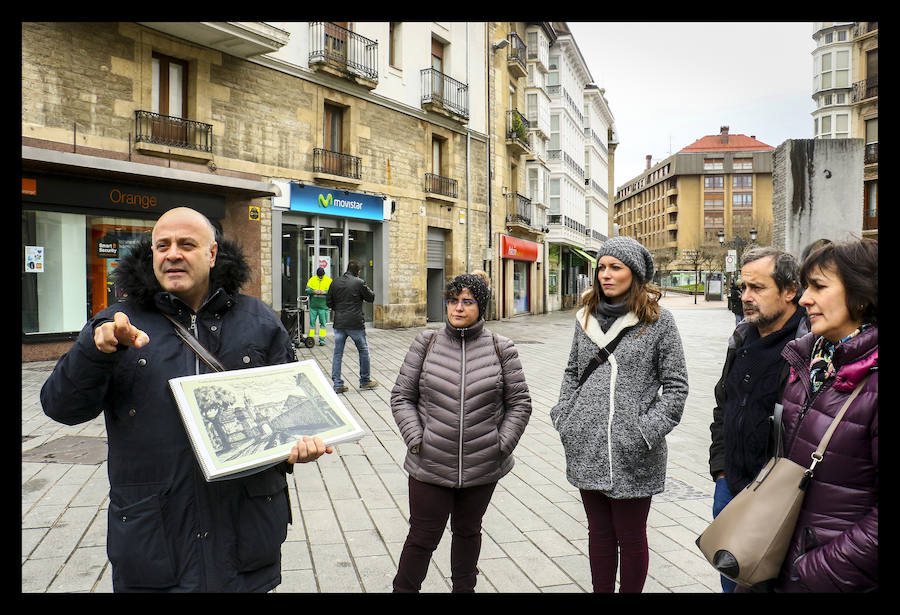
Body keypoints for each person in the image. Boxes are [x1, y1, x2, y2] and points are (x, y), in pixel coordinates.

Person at [40, 207, 332, 593]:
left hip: (244, 540)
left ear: (211, 254)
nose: (172, 253)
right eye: (162, 245)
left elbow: (289, 408)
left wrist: (298, 446)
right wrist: (95, 351)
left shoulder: (258, 320)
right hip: (155, 542)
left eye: (186, 244)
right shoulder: (117, 322)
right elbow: (61, 408)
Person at [550, 236, 688, 593]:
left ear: (635, 274)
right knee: (598, 534)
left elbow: (676, 387)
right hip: (587, 444)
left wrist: (644, 432)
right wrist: (565, 417)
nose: (605, 275)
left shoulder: (659, 322)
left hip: (635, 450)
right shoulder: (584, 319)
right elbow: (571, 371)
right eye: (601, 267)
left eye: (615, 267)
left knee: (630, 536)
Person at [391, 273, 532, 593]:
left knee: (468, 533)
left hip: (482, 466)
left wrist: (501, 444)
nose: (458, 308)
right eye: (453, 301)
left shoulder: (501, 348)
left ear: (481, 307)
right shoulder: (425, 343)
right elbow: (402, 396)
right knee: (422, 538)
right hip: (430, 464)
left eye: (467, 302)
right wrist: (416, 438)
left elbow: (520, 403)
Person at [773, 238, 877, 592]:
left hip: (833, 576)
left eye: (818, 286)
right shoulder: (813, 363)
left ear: (861, 296)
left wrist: (818, 568)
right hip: (786, 561)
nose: (804, 299)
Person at [708, 247, 808, 592]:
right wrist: (720, 468)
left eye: (758, 288)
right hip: (731, 486)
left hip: (778, 500)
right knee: (731, 581)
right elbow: (724, 405)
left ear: (790, 291)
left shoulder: (808, 347)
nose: (746, 297)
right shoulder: (742, 337)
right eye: (742, 288)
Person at [326, 259, 377, 393]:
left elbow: (329, 303)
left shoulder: (335, 282)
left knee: (338, 353)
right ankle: (365, 380)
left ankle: (337, 384)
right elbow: (371, 297)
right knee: (363, 350)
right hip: (355, 323)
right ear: (358, 271)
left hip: (339, 323)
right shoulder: (359, 282)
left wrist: (340, 308)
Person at [305, 266, 332, 346]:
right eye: (319, 276)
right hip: (313, 306)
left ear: (324, 274)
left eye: (322, 276)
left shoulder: (329, 280)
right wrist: (314, 291)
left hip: (323, 306)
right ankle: (311, 339)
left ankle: (322, 340)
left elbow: (332, 291)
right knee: (312, 324)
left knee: (323, 324)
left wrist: (325, 292)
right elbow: (307, 290)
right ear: (317, 275)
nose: (320, 277)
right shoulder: (312, 280)